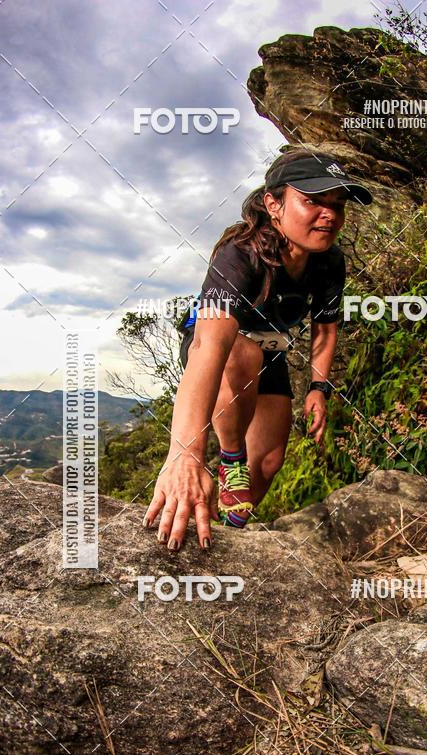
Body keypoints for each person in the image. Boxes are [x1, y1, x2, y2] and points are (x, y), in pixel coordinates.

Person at [143, 149, 373, 551]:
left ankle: (230, 531)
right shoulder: (240, 254)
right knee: (243, 353)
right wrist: (186, 453)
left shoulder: (329, 260)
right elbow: (209, 347)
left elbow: (325, 327)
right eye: (313, 201)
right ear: (274, 204)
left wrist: (319, 389)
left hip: (270, 351)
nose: (330, 215)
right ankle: (229, 459)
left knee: (267, 461)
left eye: (338, 205)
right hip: (223, 351)